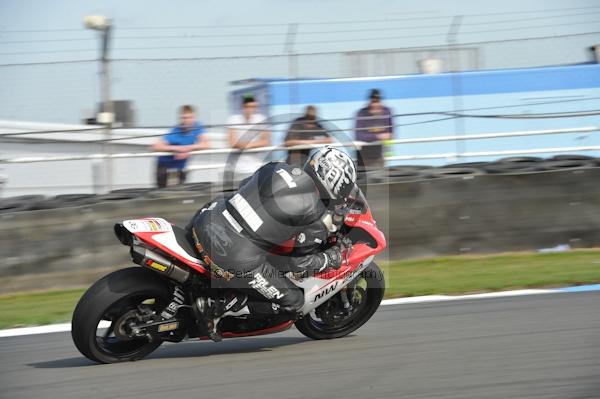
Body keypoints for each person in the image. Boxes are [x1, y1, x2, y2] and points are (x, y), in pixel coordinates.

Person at [186, 147, 357, 341]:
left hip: (207, 218)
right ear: (337, 184)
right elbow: (298, 265)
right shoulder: (316, 216)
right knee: (295, 302)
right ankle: (215, 307)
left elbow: (244, 186)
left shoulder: (277, 167)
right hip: (232, 254)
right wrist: (331, 257)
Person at [152, 105, 209, 188]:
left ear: (194, 118)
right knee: (162, 193)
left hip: (180, 166)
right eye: (184, 118)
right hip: (164, 165)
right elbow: (156, 146)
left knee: (181, 191)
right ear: (180, 119)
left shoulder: (197, 127)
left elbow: (206, 144)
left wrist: (187, 149)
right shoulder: (175, 130)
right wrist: (176, 149)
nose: (187, 121)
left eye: (189, 118)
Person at [226, 95, 271, 177]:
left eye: (254, 107)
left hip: (256, 167)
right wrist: (254, 144)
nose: (251, 109)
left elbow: (265, 142)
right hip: (237, 169)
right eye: (248, 107)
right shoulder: (234, 119)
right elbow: (232, 142)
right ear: (243, 107)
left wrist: (247, 145)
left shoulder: (261, 119)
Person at [354, 89, 394, 170]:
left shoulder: (387, 112)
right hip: (363, 155)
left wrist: (387, 152)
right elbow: (359, 136)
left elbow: (391, 133)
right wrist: (378, 136)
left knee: (378, 177)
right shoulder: (361, 113)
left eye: (377, 101)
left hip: (379, 154)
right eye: (373, 101)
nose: (375, 104)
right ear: (369, 101)